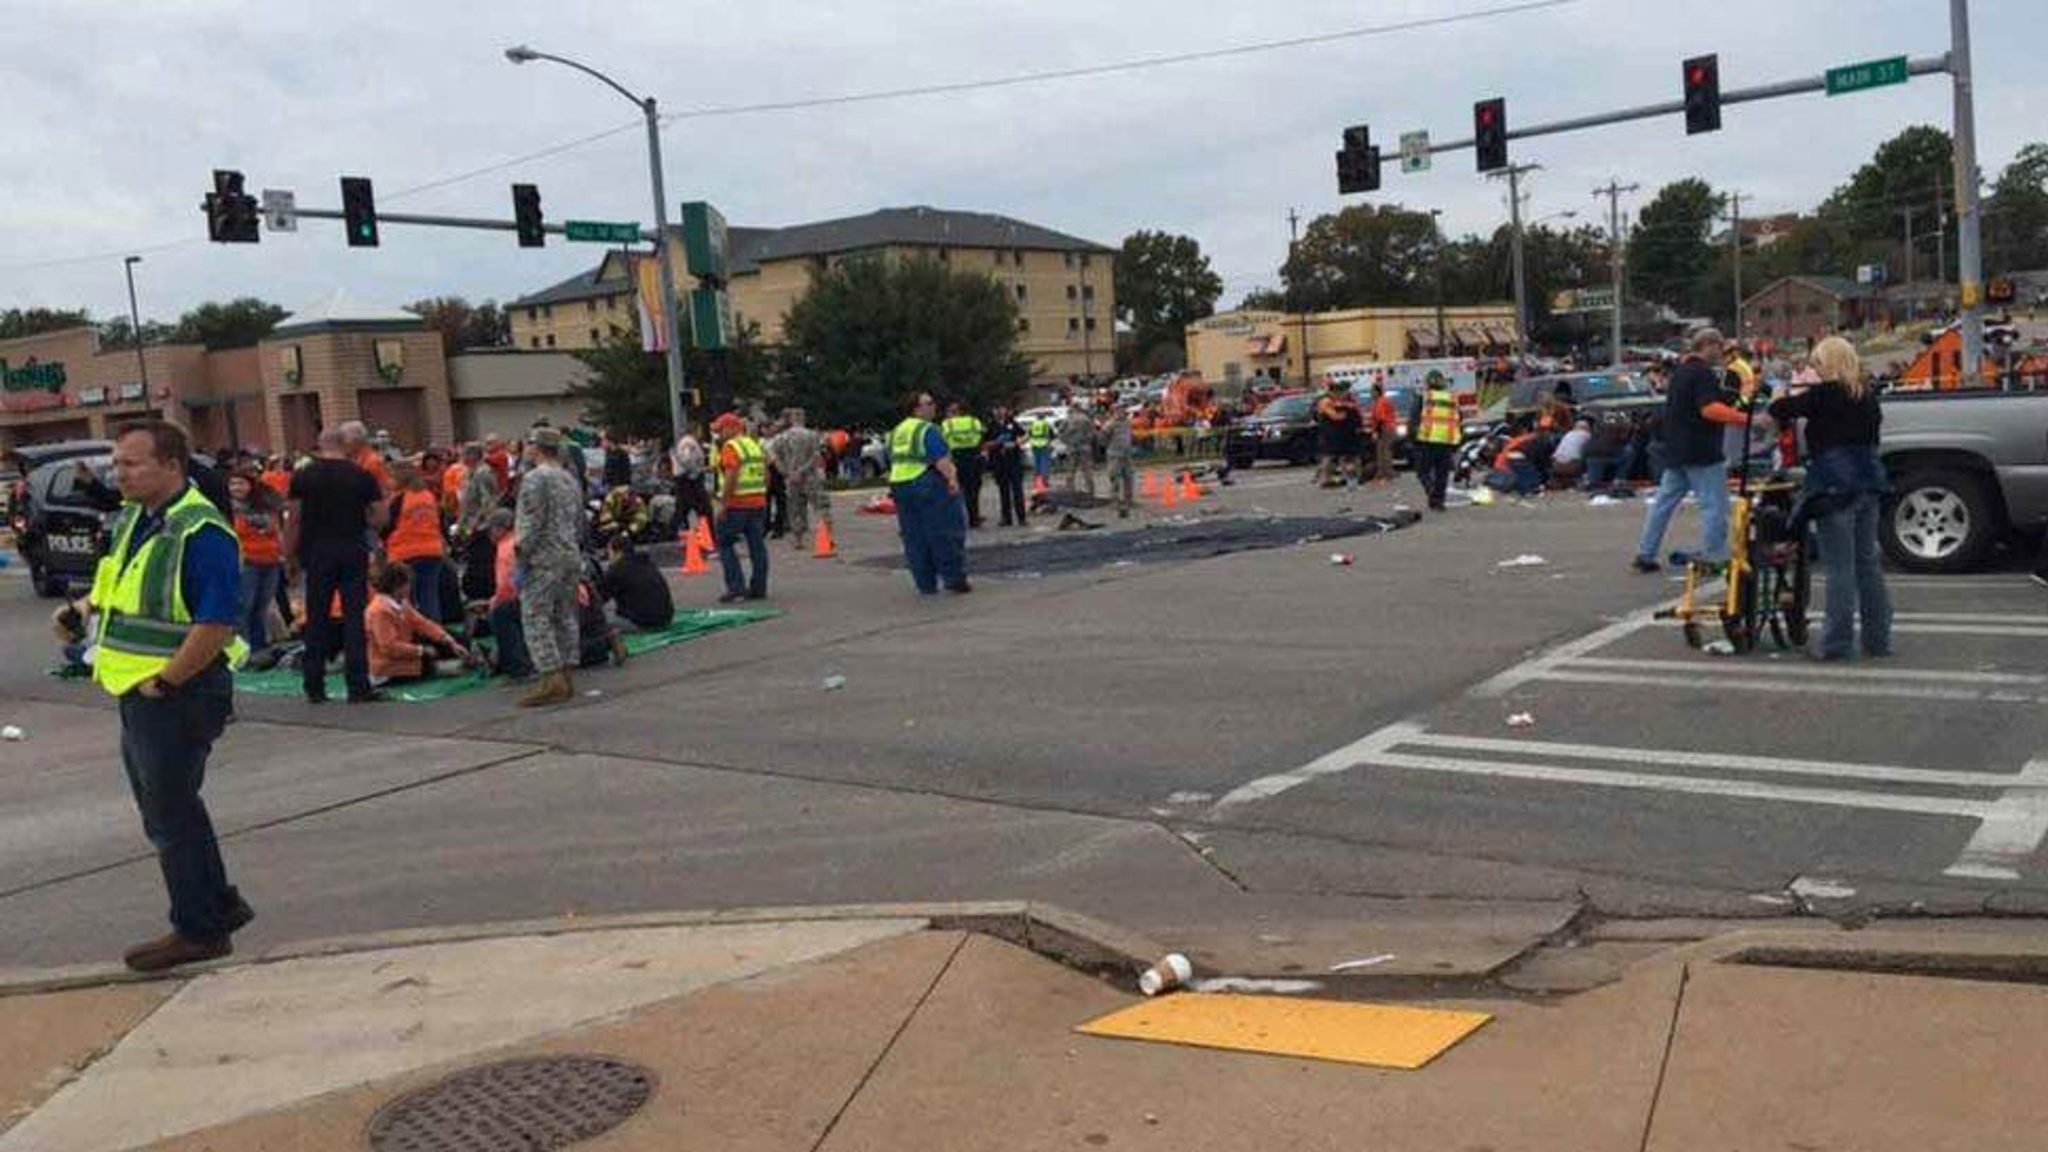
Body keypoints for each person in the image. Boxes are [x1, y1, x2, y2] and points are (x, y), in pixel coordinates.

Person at [56, 421, 253, 972]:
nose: (119, 473)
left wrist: (167, 680)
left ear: (172, 465)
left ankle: (199, 929)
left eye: (131, 464)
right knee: (172, 809)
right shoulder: (136, 520)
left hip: (176, 693)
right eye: (116, 464)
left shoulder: (201, 529)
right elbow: (113, 584)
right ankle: (217, 905)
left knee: (169, 815)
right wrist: (80, 614)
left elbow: (215, 622)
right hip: (138, 690)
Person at [1768, 336, 1893, 661]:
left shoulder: (1823, 394)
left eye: (1817, 363)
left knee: (1840, 568)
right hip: (1869, 481)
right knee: (1868, 564)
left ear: (1830, 363)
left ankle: (1837, 643)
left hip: (1834, 485)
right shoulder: (1866, 394)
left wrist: (1780, 391)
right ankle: (1878, 640)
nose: (1814, 369)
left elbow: (1780, 410)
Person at [1633, 328, 1750, 573]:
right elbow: (1709, 409)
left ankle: (1646, 552)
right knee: (1714, 504)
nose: (1723, 353)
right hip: (1702, 449)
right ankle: (1714, 553)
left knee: (1663, 504)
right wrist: (1745, 419)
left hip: (1676, 448)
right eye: (1720, 347)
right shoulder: (1702, 373)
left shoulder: (1681, 372)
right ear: (1708, 345)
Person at [286, 427, 386, 703]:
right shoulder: (361, 475)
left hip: (316, 551)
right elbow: (380, 516)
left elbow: (293, 520)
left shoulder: (303, 475)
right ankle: (358, 685)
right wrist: (361, 523)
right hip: (351, 547)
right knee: (355, 617)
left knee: (317, 616)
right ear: (345, 444)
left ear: (319, 445)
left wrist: (289, 555)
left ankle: (314, 685)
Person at [512, 426, 584, 707]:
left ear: (536, 447)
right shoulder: (569, 478)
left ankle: (550, 676)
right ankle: (567, 672)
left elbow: (532, 521)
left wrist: (521, 552)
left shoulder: (535, 479)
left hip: (543, 557)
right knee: (565, 615)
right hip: (569, 552)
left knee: (535, 615)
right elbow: (578, 520)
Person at [889, 391, 970, 595]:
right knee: (944, 531)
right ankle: (954, 579)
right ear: (916, 409)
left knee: (914, 537)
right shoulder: (928, 429)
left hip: (900, 486)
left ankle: (925, 583)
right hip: (926, 483)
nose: (933, 407)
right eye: (929, 403)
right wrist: (952, 480)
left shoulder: (897, 431)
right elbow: (941, 460)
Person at [366, 563, 480, 683]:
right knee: (425, 660)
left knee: (447, 637)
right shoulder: (380, 611)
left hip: (401, 650)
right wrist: (420, 650)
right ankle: (454, 664)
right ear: (397, 586)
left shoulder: (402, 603)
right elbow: (389, 647)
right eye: (407, 583)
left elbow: (422, 623)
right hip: (385, 666)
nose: (410, 587)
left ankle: (467, 654)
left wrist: (449, 641)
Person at [712, 412, 771, 603]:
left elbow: (731, 476)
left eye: (720, 430)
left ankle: (736, 589)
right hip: (758, 503)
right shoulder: (754, 445)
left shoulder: (731, 447)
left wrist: (723, 504)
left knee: (725, 543)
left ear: (732, 428)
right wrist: (761, 493)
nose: (718, 435)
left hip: (736, 505)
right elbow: (767, 474)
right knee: (757, 547)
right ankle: (759, 588)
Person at [228, 469, 284, 657]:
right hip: (246, 561)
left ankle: (259, 647)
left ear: (250, 485)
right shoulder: (227, 509)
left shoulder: (264, 505)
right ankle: (242, 650)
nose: (236, 487)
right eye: (233, 484)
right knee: (244, 605)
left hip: (270, 560)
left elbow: (274, 529)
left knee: (262, 605)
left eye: (240, 483)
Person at [384, 464, 448, 625]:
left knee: (405, 601)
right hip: (432, 551)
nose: (389, 481)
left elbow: (386, 526)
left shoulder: (399, 499)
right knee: (429, 597)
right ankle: (436, 637)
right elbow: (440, 521)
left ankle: (410, 638)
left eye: (392, 477)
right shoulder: (428, 496)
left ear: (400, 479)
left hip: (404, 552)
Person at [768, 408, 832, 546]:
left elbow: (773, 456)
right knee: (821, 506)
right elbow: (816, 456)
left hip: (791, 479)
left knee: (795, 509)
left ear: (791, 419)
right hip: (810, 477)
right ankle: (826, 537)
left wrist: (786, 472)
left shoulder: (782, 437)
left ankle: (798, 540)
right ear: (803, 418)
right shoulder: (811, 435)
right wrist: (801, 471)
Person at [1407, 370, 1460, 511]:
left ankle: (1431, 492)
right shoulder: (1451, 398)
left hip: (1426, 441)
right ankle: (1439, 502)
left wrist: (1411, 439)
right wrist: (1456, 443)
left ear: (1427, 383)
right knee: (1442, 474)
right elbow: (1458, 420)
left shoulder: (1423, 398)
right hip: (1446, 441)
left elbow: (1413, 421)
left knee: (1422, 472)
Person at [599, 536, 675, 630]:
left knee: (599, 621)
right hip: (666, 617)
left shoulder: (617, 569)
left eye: (609, 552)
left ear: (617, 552)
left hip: (641, 621)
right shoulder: (646, 562)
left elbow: (601, 597)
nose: (608, 556)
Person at [941, 401, 987, 528]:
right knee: (973, 491)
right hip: (973, 458)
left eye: (950, 411)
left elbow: (943, 442)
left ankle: (957, 519)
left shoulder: (947, 424)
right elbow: (983, 437)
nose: (948, 414)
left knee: (955, 490)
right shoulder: (974, 422)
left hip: (956, 459)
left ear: (956, 411)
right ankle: (974, 518)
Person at [985, 405, 1029, 526]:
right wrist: (996, 443)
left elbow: (1025, 435)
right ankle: (1006, 518)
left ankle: (1022, 518)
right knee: (1003, 491)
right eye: (998, 409)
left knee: (1017, 490)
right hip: (999, 462)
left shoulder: (1012, 423)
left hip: (1014, 461)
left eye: (1003, 409)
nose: (1000, 411)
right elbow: (984, 443)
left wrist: (1015, 443)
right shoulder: (991, 425)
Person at [670, 427, 714, 537]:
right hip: (689, 480)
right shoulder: (689, 443)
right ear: (694, 431)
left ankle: (675, 531)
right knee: (704, 508)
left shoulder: (689, 442)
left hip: (686, 479)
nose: (701, 433)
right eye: (700, 430)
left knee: (684, 508)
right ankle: (709, 533)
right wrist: (696, 470)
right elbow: (687, 459)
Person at [337, 420, 392, 495]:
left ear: (356, 441)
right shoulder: (353, 459)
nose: (341, 444)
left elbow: (383, 491)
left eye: (343, 440)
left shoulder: (372, 462)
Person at [1104, 405, 1136, 518]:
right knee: (1115, 478)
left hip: (1127, 455)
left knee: (1129, 477)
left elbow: (1131, 436)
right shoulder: (1110, 424)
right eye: (1120, 410)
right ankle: (1115, 501)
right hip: (1115, 455)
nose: (1123, 412)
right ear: (1115, 412)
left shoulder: (1127, 423)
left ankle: (1129, 500)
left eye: (1123, 410)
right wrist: (1110, 448)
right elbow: (1103, 438)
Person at [1058, 405, 1097, 496]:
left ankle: (1070, 492)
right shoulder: (1086, 419)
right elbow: (1093, 433)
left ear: (1073, 409)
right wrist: (1087, 441)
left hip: (1072, 448)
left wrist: (1065, 441)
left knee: (1071, 470)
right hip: (1085, 448)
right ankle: (1091, 492)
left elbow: (1060, 431)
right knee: (1087, 471)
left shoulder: (1068, 419)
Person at [1368, 382, 1399, 484]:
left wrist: (1376, 432)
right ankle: (1387, 472)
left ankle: (1385, 473)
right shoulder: (1383, 401)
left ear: (1377, 392)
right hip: (1389, 427)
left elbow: (1380, 418)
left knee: (1383, 452)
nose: (1371, 393)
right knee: (1386, 451)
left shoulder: (1380, 402)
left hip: (1385, 428)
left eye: (1372, 391)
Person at [1550, 418, 1593, 488]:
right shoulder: (1587, 435)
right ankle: (1584, 480)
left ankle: (1562, 481)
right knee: (1590, 457)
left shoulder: (1568, 434)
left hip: (1556, 465)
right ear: (1587, 428)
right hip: (1572, 466)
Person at [1028, 411, 1055, 485]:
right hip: (1044, 445)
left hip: (1034, 446)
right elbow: (1052, 436)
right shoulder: (1046, 424)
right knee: (1044, 463)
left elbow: (1029, 434)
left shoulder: (1033, 424)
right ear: (1044, 417)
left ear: (1036, 417)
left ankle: (1036, 481)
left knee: (1036, 463)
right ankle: (1044, 480)